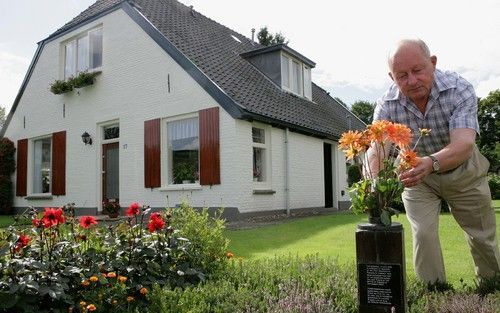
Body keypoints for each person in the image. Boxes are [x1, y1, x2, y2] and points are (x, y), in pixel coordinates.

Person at [371, 38, 500, 284]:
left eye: (418, 71)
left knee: (481, 235)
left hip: (464, 171)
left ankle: (492, 287)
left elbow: (464, 144)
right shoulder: (386, 104)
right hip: (417, 179)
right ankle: (435, 293)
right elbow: (377, 147)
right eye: (402, 75)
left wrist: (430, 162)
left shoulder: (459, 88)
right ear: (392, 77)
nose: (411, 81)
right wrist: (374, 183)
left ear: (432, 63)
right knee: (424, 234)